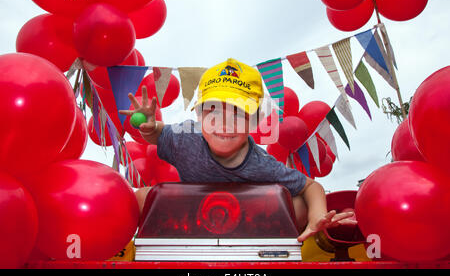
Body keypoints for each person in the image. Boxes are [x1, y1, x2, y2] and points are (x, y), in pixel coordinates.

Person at [119, 58, 356, 242]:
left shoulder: (261, 164)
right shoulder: (186, 138)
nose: (224, 123)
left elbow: (310, 186)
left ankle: (257, 250)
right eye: (213, 111)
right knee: (142, 196)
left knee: (299, 205)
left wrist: (316, 216)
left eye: (238, 113)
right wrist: (148, 127)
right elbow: (158, 133)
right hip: (192, 216)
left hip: (249, 223)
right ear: (199, 116)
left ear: (254, 122)